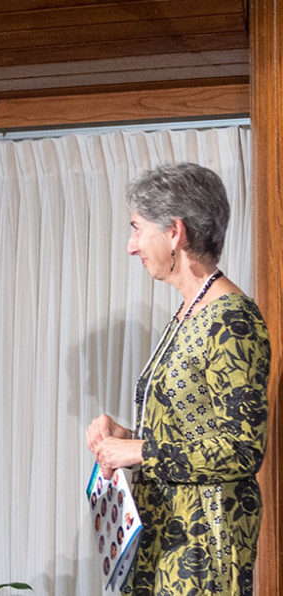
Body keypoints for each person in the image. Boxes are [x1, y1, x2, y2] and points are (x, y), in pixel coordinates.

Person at [86, 163, 269, 595]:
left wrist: (139, 450)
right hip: (168, 536)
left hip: (204, 550)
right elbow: (192, 432)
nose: (131, 246)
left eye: (137, 228)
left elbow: (242, 449)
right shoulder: (191, 310)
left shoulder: (232, 320)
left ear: (175, 232)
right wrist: (127, 438)